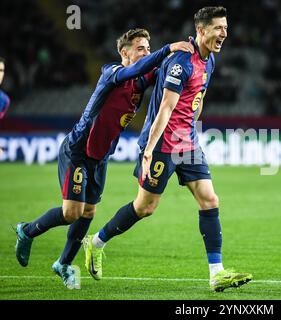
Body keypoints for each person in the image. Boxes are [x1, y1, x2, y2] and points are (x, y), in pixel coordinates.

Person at [83, 6, 252, 292]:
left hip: (187, 143)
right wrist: (148, 150)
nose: (224, 33)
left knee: (210, 200)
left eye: (225, 27)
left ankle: (216, 274)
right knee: (145, 207)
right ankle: (95, 241)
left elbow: (197, 99)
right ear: (201, 30)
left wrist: (193, 129)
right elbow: (165, 107)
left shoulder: (209, 61)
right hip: (162, 144)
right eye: (218, 28)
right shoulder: (181, 63)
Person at [14, 28, 194, 289]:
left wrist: (189, 51)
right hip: (78, 150)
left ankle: (63, 264)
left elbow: (161, 70)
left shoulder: (139, 82)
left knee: (88, 211)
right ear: (125, 52)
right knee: (71, 212)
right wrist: (167, 48)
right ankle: (27, 230)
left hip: (101, 156)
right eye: (141, 48)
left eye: (148, 47)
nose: (146, 51)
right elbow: (140, 67)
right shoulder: (111, 73)